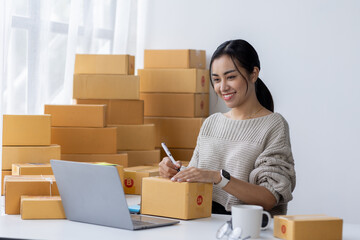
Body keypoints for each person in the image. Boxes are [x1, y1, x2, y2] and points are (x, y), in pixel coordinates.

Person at [159, 39, 296, 216]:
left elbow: (269, 197)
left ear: (253, 74)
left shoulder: (274, 125)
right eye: (216, 79)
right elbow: (194, 183)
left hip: (249, 228)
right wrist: (174, 172)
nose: (222, 87)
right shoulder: (211, 123)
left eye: (231, 77)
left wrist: (218, 177)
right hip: (203, 223)